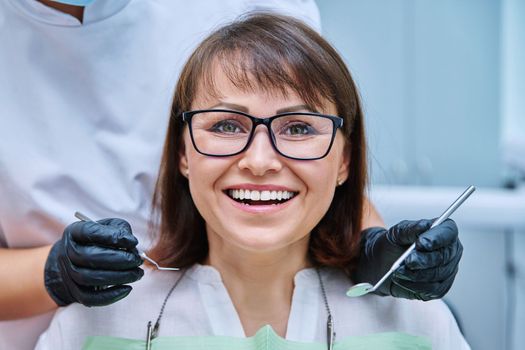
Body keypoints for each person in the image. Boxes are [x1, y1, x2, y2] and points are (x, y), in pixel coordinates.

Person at [0, 1, 462, 349]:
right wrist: (58, 273)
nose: (259, 161)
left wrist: (375, 247)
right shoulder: (89, 329)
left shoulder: (417, 328)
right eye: (225, 125)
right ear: (181, 153)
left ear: (346, 158)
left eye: (296, 127)